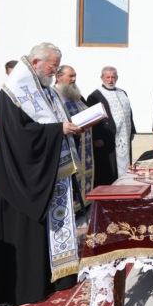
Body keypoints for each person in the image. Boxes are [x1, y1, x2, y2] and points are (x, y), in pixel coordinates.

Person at [0, 43, 82, 306]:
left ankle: (55, 275)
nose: (54, 72)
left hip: (47, 170)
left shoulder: (44, 90)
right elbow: (21, 137)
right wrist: (58, 131)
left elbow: (48, 123)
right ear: (36, 62)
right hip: (20, 177)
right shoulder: (12, 93)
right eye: (52, 66)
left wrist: (68, 129)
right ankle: (27, 285)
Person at [86, 66, 136, 187]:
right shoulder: (95, 96)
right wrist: (97, 136)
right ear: (102, 78)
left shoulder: (122, 92)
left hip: (124, 135)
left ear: (117, 78)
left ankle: (125, 185)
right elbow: (93, 118)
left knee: (125, 163)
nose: (110, 80)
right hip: (107, 137)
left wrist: (132, 130)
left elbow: (128, 112)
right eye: (107, 77)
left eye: (113, 77)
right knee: (109, 167)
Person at [55, 66, 95, 205]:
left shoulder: (75, 94)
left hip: (82, 141)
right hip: (67, 144)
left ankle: (83, 203)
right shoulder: (54, 95)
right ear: (58, 77)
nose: (74, 79)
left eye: (75, 76)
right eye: (70, 76)